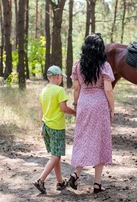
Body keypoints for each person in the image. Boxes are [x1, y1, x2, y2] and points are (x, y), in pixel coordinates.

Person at [68, 33, 114, 193]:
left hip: (83, 103)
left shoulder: (77, 65)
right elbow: (108, 90)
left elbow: (76, 88)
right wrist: (112, 109)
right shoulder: (104, 66)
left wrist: (76, 104)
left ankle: (76, 173)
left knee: (82, 138)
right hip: (99, 104)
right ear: (100, 48)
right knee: (100, 141)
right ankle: (97, 184)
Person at [33, 65, 76, 194]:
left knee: (55, 155)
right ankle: (40, 180)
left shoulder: (44, 91)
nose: (61, 79)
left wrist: (41, 126)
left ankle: (60, 182)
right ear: (58, 77)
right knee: (56, 155)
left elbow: (41, 111)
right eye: (61, 77)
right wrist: (76, 113)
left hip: (46, 126)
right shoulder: (59, 90)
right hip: (56, 127)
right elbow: (63, 108)